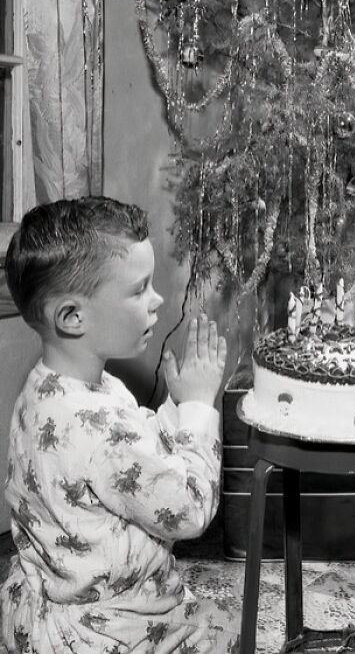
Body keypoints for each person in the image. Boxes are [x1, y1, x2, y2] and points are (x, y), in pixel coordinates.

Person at [0, 196, 239, 653]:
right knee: (228, 630)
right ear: (72, 317)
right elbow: (188, 510)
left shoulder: (48, 387)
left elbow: (133, 450)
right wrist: (200, 407)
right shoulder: (101, 428)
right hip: (106, 628)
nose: (158, 301)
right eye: (138, 289)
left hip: (46, 603)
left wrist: (174, 406)